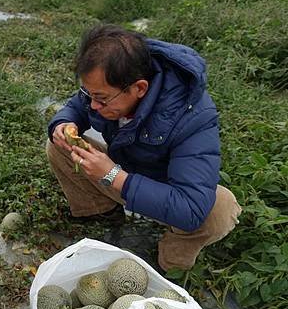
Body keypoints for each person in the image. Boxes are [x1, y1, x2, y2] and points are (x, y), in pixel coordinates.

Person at [46, 24, 242, 272]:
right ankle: (103, 212)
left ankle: (169, 266)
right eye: (90, 93)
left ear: (139, 88)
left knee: (219, 211)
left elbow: (191, 208)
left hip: (167, 189)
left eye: (102, 99)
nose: (93, 105)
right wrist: (64, 123)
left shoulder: (193, 115)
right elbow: (77, 105)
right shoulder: (108, 83)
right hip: (124, 171)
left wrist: (113, 175)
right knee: (59, 147)